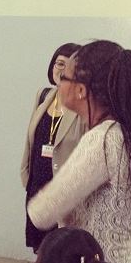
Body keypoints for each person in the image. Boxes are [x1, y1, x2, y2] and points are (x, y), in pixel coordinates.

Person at [28, 39, 131, 263]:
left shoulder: (102, 140)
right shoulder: (125, 131)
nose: (59, 84)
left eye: (63, 77)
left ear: (79, 90)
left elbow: (41, 213)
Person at [20, 43, 86, 252]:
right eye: (59, 63)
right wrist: (26, 175)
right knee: (40, 248)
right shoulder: (43, 95)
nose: (62, 70)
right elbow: (31, 138)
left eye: (69, 66)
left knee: (61, 251)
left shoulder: (82, 104)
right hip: (37, 186)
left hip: (64, 192)